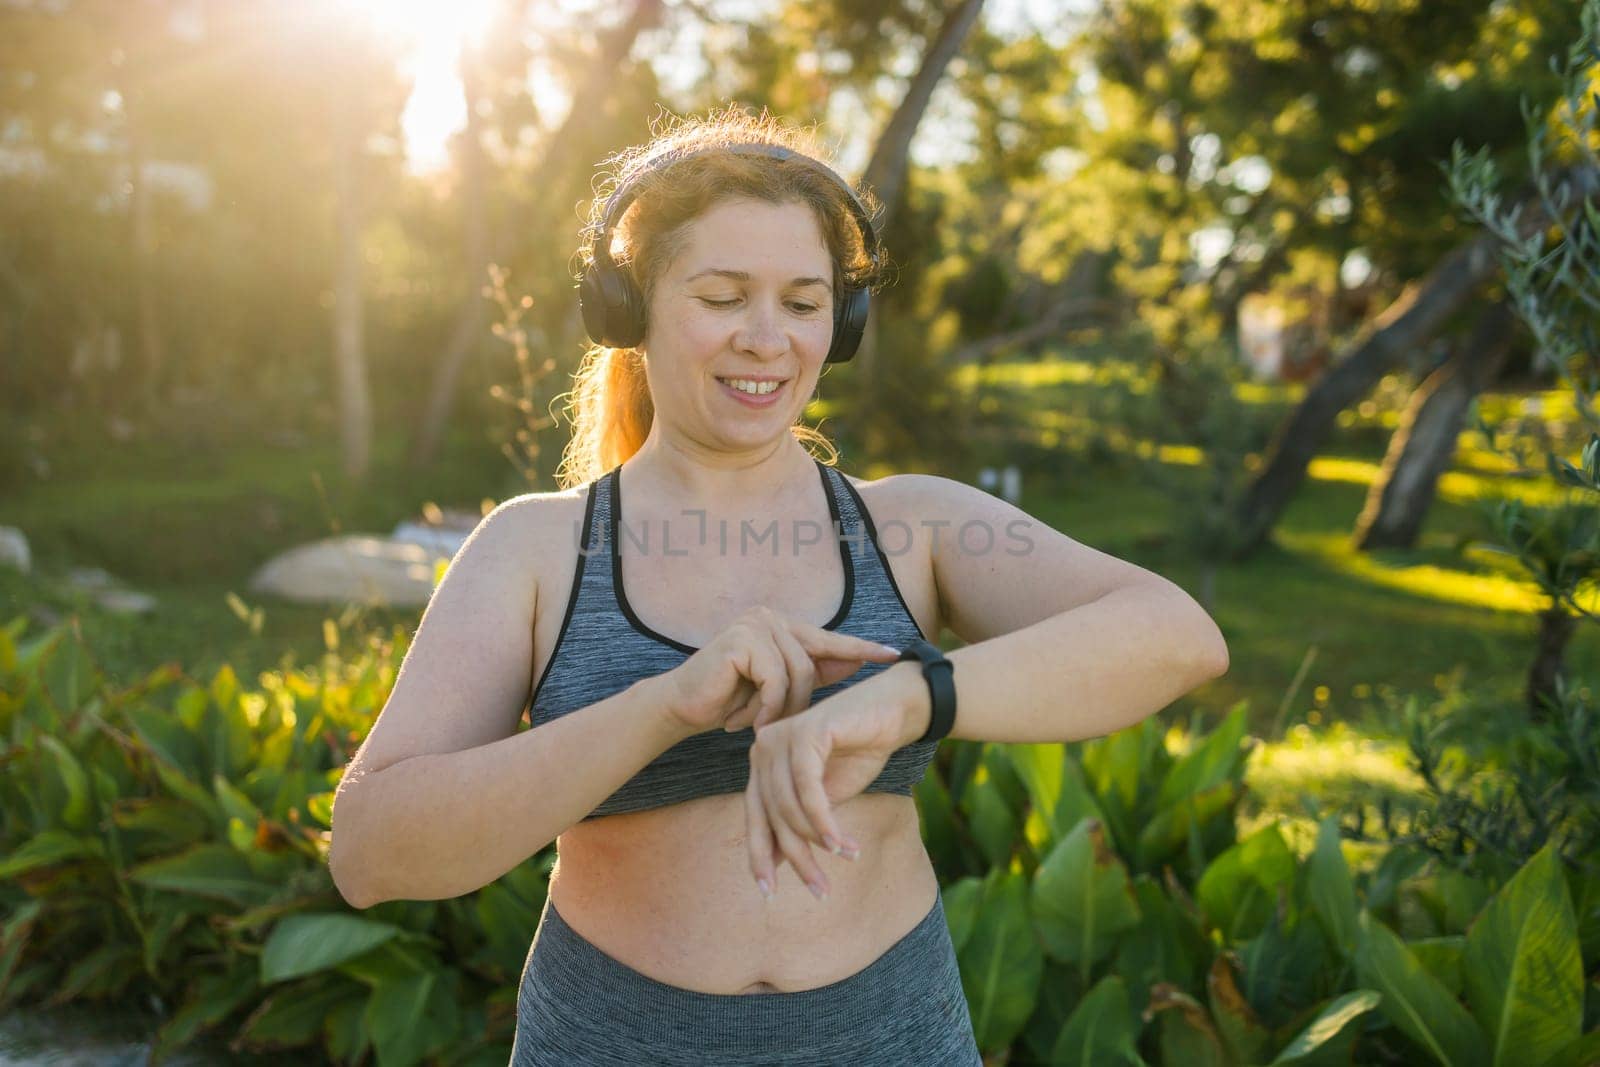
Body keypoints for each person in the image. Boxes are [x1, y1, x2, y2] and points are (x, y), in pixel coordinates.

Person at [327, 106, 1230, 1066]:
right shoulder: (536, 552)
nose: (768, 339)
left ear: (840, 323)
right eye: (723, 296)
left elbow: (1177, 635)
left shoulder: (913, 526)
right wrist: (665, 704)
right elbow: (372, 854)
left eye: (803, 303)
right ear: (627, 309)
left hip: (891, 1037)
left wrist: (909, 699)